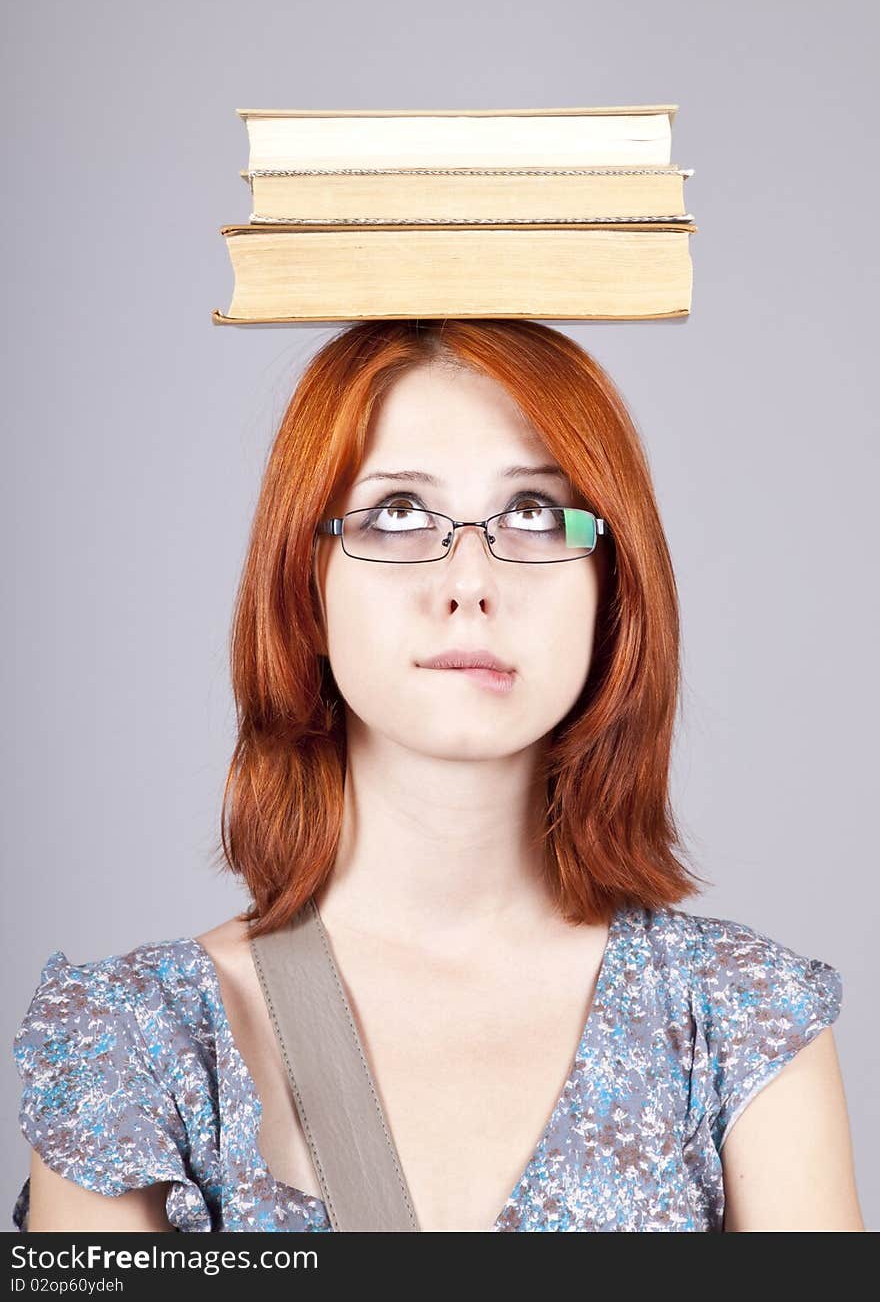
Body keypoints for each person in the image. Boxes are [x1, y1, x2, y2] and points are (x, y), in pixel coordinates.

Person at [12, 320, 865, 1233]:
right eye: (399, 512)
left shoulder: (743, 1024)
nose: (470, 580)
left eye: (534, 511)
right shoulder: (130, 1044)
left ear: (613, 584)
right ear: (305, 581)